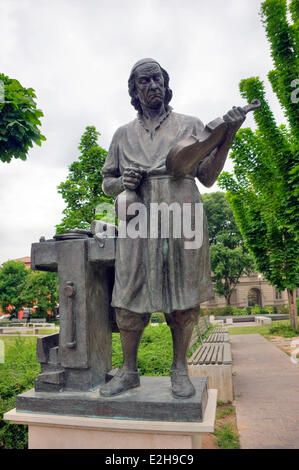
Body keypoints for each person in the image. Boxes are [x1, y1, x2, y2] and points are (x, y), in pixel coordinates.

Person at [100, 58, 245, 398]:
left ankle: (180, 369)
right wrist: (122, 180)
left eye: (158, 79)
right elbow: (107, 183)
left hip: (183, 211)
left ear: (166, 84)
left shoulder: (190, 124)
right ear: (135, 91)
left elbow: (207, 177)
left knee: (183, 293)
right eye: (145, 82)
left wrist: (229, 135)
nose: (153, 86)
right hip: (138, 216)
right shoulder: (122, 134)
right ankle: (129, 371)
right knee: (129, 290)